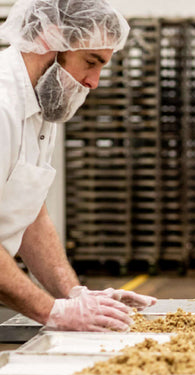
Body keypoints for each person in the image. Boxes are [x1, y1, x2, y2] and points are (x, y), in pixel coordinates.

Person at [0, 0, 157, 331]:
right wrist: (53, 312)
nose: (94, 82)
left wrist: (74, 295)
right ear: (50, 39)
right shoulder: (3, 106)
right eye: (91, 62)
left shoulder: (42, 107)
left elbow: (29, 215)